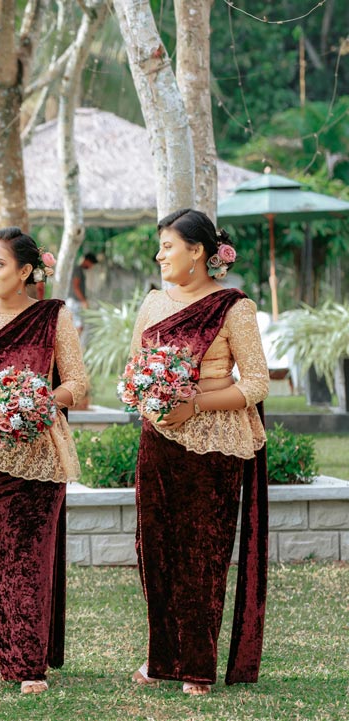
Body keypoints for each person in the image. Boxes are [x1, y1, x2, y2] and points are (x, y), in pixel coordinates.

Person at [128, 208, 268, 695]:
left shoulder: (234, 308)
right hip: (158, 441)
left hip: (214, 446)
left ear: (197, 251)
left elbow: (256, 382)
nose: (159, 255)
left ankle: (198, 666)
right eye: (160, 246)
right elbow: (134, 369)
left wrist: (195, 403)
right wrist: (150, 399)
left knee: (202, 554)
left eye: (167, 246)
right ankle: (162, 658)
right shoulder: (152, 304)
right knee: (154, 551)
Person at [0, 227, 88, 695]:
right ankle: (9, 659)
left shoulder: (53, 316)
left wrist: (38, 403)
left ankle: (31, 667)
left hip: (41, 455)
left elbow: (77, 383)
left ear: (26, 271)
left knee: (32, 558)